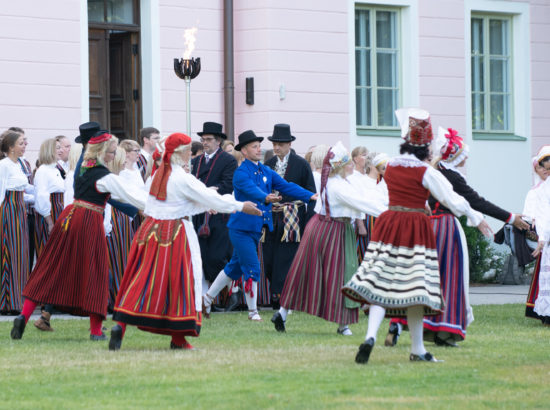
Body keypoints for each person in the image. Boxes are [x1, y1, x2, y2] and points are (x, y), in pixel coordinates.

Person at [341, 108, 492, 364]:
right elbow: (451, 199)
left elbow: (389, 196)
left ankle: (370, 337)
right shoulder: (425, 171)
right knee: (416, 288)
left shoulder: (391, 165)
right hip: (415, 228)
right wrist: (476, 218)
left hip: (389, 224)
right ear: (425, 148)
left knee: (381, 281)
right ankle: (418, 348)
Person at [108, 133, 261, 350]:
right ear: (180, 153)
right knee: (181, 282)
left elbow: (181, 201)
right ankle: (179, 338)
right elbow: (206, 197)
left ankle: (121, 325)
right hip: (175, 233)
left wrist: (207, 203)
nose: (191, 153)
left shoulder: (158, 174)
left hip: (149, 231)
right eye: (188, 149)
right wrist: (239, 205)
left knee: (143, 280)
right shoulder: (182, 177)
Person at [385, 126, 530, 347]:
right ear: (455, 156)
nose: (465, 161)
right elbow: (475, 201)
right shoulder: (450, 175)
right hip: (445, 228)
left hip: (424, 227)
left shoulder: (430, 170)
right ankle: (444, 330)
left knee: (419, 277)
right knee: (450, 278)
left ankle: (397, 321)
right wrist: (509, 217)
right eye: (464, 157)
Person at [11, 131, 147, 341]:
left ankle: (24, 315)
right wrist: (156, 208)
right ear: (103, 151)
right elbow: (129, 195)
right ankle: (95, 331)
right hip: (89, 220)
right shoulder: (104, 175)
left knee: (50, 268)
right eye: (112, 151)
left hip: (69, 217)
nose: (114, 155)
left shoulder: (82, 168)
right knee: (96, 272)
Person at [271, 141, 387, 335]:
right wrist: (389, 214)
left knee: (329, 273)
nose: (352, 165)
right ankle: (340, 324)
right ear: (340, 166)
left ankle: (283, 314)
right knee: (334, 273)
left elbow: (369, 196)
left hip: (332, 228)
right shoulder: (337, 187)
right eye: (348, 163)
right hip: (330, 230)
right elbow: (362, 203)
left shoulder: (345, 182)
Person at [201, 130, 317, 322]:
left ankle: (207, 299)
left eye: (259, 146)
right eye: (254, 147)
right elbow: (250, 190)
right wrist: (265, 197)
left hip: (256, 228)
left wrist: (309, 195)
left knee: (234, 267)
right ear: (244, 151)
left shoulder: (265, 170)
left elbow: (286, 185)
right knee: (253, 267)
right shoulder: (241, 172)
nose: (259, 149)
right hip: (240, 228)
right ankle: (253, 312)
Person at [263, 124, 316, 308]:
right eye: (274, 143)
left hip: (293, 219)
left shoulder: (301, 164)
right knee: (269, 259)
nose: (276, 147)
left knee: (286, 259)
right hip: (271, 218)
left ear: (289, 144)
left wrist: (308, 222)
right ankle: (278, 293)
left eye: (280, 143)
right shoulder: (268, 165)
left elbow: (311, 194)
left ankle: (282, 299)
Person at [191, 122, 239, 308]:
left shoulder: (228, 160)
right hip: (199, 215)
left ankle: (231, 291)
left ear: (218, 141)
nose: (205, 143)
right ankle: (207, 301)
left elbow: (228, 184)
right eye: (202, 140)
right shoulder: (195, 162)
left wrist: (210, 192)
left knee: (217, 257)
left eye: (208, 139)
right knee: (201, 257)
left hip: (218, 215)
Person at [0, 130, 34, 314]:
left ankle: (16, 300)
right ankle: (6, 301)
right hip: (9, 209)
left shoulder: (18, 164)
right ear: (11, 147)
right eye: (21, 143)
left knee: (21, 253)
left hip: (19, 208)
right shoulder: (4, 165)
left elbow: (26, 187)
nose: (25, 145)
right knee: (9, 252)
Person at [524, 149, 549, 322]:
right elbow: (534, 215)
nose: (545, 170)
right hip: (544, 235)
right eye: (542, 167)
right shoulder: (537, 191)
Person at [32, 138, 65, 259]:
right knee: (49, 253)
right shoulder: (43, 170)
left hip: (59, 211)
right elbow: (41, 197)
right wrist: (50, 222)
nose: (61, 150)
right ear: (49, 150)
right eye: (57, 148)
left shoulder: (55, 169)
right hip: (51, 213)